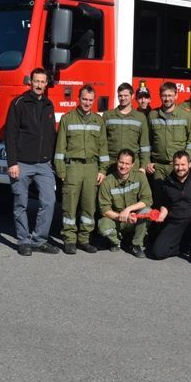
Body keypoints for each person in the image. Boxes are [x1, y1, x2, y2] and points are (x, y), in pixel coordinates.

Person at [4, 67, 60, 256]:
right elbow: (10, 135)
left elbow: (51, 135)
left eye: (43, 82)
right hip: (21, 163)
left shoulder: (49, 105)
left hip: (44, 164)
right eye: (36, 81)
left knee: (49, 202)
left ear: (46, 84)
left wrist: (52, 160)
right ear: (31, 82)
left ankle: (39, 240)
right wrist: (12, 163)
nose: (39, 85)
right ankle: (24, 241)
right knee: (21, 203)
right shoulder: (18, 103)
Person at [54, 85, 110, 255]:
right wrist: (61, 171)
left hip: (92, 168)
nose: (87, 103)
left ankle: (84, 239)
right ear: (78, 99)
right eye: (84, 99)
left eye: (90, 100)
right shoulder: (67, 119)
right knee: (69, 206)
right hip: (73, 167)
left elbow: (103, 148)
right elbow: (60, 148)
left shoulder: (98, 121)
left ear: (94, 101)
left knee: (89, 206)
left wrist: (103, 170)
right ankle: (70, 239)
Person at [97, 149, 153, 258]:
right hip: (117, 219)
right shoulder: (107, 182)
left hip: (135, 217)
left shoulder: (140, 177)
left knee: (148, 211)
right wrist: (121, 216)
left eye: (127, 163)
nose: (123, 166)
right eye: (121, 162)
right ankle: (116, 241)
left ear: (132, 165)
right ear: (117, 162)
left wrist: (128, 210)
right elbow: (104, 210)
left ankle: (135, 244)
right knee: (102, 225)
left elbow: (147, 200)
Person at [146, 82, 191, 197]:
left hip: (178, 167)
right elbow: (147, 142)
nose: (167, 98)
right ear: (160, 96)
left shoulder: (186, 116)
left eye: (170, 95)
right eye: (164, 95)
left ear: (176, 95)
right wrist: (147, 162)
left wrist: (185, 159)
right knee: (159, 199)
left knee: (178, 199)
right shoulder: (152, 115)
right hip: (158, 167)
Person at [103, 82, 151, 172]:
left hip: (133, 165)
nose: (123, 98)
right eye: (120, 96)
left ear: (132, 96)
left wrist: (143, 166)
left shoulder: (140, 118)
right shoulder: (107, 116)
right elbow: (102, 144)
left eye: (126, 95)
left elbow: (144, 145)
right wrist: (103, 168)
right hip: (112, 164)